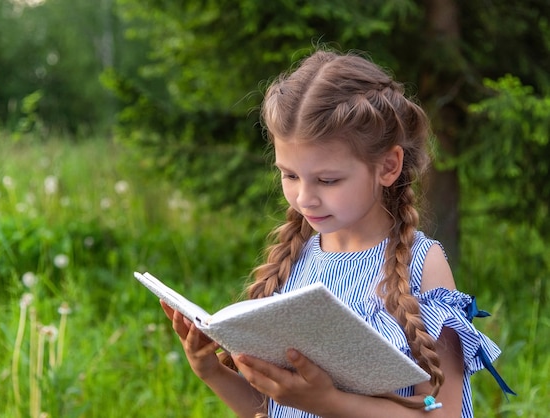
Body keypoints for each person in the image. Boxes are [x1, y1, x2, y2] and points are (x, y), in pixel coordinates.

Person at [160, 49, 513, 417]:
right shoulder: (295, 261)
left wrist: (329, 403)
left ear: (388, 166)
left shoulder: (422, 265)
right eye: (290, 175)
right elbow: (271, 407)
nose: (305, 198)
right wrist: (212, 371)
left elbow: (441, 411)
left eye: (328, 180)